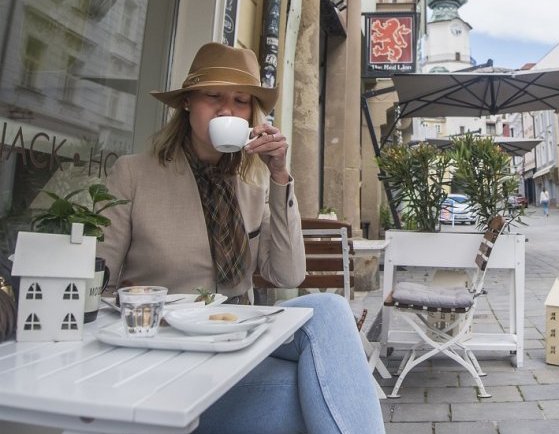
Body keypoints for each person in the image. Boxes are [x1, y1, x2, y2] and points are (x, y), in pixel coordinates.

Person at [98, 42, 384, 434]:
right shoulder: (133, 175)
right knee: (324, 390)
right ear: (187, 103)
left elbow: (287, 274)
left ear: (251, 114)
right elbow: (98, 285)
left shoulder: (253, 183)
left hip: (239, 340)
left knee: (330, 313)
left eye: (240, 101)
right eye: (213, 96)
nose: (227, 110)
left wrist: (279, 175)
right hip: (171, 355)